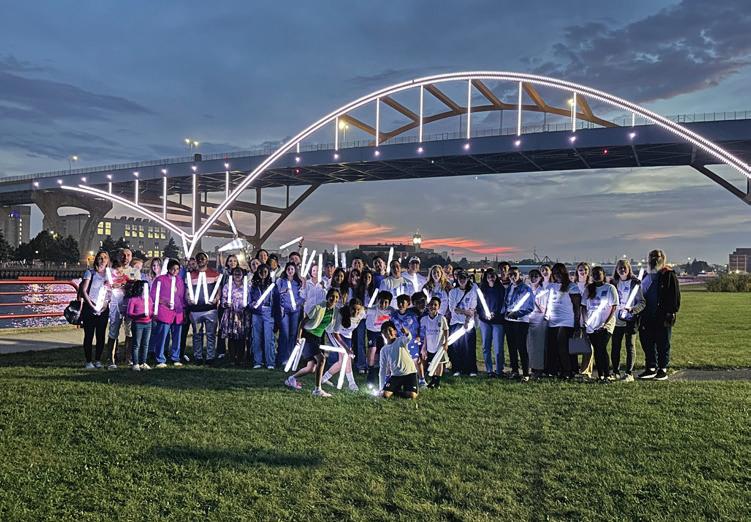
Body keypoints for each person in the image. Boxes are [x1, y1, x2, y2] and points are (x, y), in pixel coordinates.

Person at [285, 288, 340, 397]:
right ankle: (317, 390)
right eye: (332, 296)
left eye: (337, 297)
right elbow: (303, 322)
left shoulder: (335, 311)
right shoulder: (318, 307)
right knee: (321, 359)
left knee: (311, 368)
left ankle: (291, 379)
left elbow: (333, 328)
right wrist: (299, 337)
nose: (334, 299)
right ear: (327, 297)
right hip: (308, 336)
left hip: (318, 338)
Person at [638, 249, 680, 381]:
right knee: (647, 342)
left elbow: (674, 295)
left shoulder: (668, 274)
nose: (654, 259)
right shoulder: (645, 276)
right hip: (646, 314)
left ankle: (662, 369)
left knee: (663, 343)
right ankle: (651, 367)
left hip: (662, 314)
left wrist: (671, 312)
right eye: (652, 257)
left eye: (657, 257)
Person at [582, 266, 619, 383]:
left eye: (599, 273)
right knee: (597, 350)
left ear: (604, 274)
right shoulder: (589, 289)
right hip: (592, 325)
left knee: (601, 347)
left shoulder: (610, 288)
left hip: (605, 325)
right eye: (594, 274)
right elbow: (584, 307)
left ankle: (607, 374)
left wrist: (605, 323)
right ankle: (601, 375)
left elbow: (613, 307)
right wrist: (586, 321)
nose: (596, 276)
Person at [544, 263, 582, 379]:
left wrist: (577, 323)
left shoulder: (572, 286)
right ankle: (554, 370)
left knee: (563, 347)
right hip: (552, 321)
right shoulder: (551, 286)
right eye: (555, 273)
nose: (557, 275)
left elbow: (577, 307)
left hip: (566, 321)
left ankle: (568, 370)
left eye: (559, 273)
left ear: (564, 273)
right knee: (552, 347)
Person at [611, 260, 645, 382]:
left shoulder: (635, 283)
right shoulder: (613, 283)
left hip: (630, 320)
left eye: (624, 267)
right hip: (616, 320)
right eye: (620, 268)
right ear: (616, 270)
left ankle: (628, 373)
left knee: (630, 346)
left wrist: (633, 310)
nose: (622, 270)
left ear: (629, 269)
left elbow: (642, 302)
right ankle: (615, 372)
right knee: (615, 346)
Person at [322, 297, 365, 391]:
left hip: (347, 335)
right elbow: (336, 334)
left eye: (358, 309)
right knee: (346, 357)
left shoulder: (362, 313)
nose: (356, 312)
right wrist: (347, 349)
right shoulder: (340, 314)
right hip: (334, 333)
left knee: (343, 361)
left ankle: (323, 379)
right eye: (353, 309)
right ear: (349, 307)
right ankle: (352, 383)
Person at [186, 252, 221, 365]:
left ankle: (210, 357)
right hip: (196, 310)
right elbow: (187, 291)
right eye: (198, 259)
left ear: (207, 260)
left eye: (203, 258)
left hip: (210, 310)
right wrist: (188, 299)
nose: (200, 260)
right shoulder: (191, 275)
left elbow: (218, 290)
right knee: (197, 335)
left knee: (211, 335)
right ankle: (198, 357)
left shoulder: (214, 274)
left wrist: (216, 299)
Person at [150, 258, 186, 368]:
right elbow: (153, 294)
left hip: (178, 312)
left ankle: (175, 357)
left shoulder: (179, 281)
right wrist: (162, 302)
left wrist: (183, 309)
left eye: (177, 269)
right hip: (165, 311)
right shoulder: (160, 279)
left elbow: (182, 296)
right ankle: (160, 358)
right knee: (162, 336)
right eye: (173, 268)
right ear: (168, 268)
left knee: (177, 337)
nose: (175, 271)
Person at [80, 251, 111, 369]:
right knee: (89, 335)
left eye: (105, 258)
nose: (102, 260)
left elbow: (110, 291)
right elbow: (83, 290)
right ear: (96, 259)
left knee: (101, 335)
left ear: (108, 260)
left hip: (103, 309)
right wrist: (91, 305)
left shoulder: (109, 274)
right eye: (100, 258)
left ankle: (98, 360)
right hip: (90, 308)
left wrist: (106, 303)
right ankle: (88, 361)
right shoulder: (90, 273)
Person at [504, 267, 534, 381]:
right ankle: (515, 371)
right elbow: (507, 303)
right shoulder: (509, 287)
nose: (512, 276)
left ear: (519, 274)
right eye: (510, 274)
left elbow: (530, 307)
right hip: (509, 321)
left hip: (521, 321)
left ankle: (526, 373)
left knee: (521, 347)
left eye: (514, 274)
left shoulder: (526, 288)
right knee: (511, 347)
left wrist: (516, 314)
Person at [274, 261, 305, 368]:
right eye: (288, 269)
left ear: (295, 270)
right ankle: (283, 358)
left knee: (293, 334)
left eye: (292, 269)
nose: (290, 271)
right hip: (284, 311)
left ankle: (291, 357)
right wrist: (284, 291)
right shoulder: (281, 281)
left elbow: (303, 296)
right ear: (285, 270)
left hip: (295, 311)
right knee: (284, 334)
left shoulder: (298, 282)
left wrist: (297, 303)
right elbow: (276, 293)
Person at [447, 269, 478, 377]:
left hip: (468, 324)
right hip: (455, 322)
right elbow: (452, 308)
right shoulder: (453, 292)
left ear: (468, 279)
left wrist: (466, 321)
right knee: (456, 347)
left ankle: (471, 369)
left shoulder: (472, 292)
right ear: (457, 279)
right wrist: (465, 312)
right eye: (460, 278)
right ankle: (457, 368)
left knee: (469, 347)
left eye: (464, 278)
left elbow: (472, 309)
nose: (462, 280)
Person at [219, 266, 251, 366]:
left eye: (239, 273)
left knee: (241, 337)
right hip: (231, 314)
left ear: (243, 275)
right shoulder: (227, 286)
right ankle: (232, 357)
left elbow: (250, 298)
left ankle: (240, 358)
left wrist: (247, 306)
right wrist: (226, 304)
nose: (237, 275)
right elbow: (223, 299)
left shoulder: (247, 287)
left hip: (242, 315)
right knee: (231, 336)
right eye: (235, 273)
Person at [379, 321, 418, 400]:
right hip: (396, 375)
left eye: (390, 330)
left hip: (410, 373)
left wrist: (407, 333)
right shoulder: (384, 350)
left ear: (395, 331)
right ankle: (397, 389)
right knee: (384, 395)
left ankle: (401, 390)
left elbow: (408, 338)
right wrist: (381, 387)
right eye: (385, 332)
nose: (388, 333)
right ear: (382, 334)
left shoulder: (401, 341)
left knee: (412, 395)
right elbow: (382, 369)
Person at [476, 268, 505, 377]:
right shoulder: (482, 290)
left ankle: (499, 370)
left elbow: (503, 305)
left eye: (492, 276)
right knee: (486, 346)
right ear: (485, 278)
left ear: (496, 277)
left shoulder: (501, 290)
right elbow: (479, 306)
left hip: (498, 321)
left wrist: (495, 314)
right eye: (488, 276)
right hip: (485, 321)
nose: (491, 278)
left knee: (498, 347)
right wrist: (484, 315)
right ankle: (489, 370)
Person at [390, 294, 422, 386]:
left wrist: (418, 336)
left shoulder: (412, 315)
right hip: (400, 342)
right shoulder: (393, 316)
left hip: (412, 341)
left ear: (408, 304)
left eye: (403, 303)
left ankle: (421, 379)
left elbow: (418, 327)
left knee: (415, 360)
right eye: (398, 302)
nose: (400, 305)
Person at [365, 290, 394, 387]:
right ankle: (371, 372)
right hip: (372, 331)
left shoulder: (391, 311)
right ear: (378, 300)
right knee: (372, 349)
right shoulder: (373, 309)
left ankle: (387, 371)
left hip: (384, 332)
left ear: (389, 303)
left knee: (386, 350)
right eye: (381, 302)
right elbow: (363, 311)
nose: (383, 304)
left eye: (386, 302)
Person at [420, 296, 449, 389]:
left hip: (439, 346)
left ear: (439, 307)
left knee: (439, 363)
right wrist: (424, 347)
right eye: (431, 304)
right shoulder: (424, 319)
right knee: (432, 363)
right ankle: (433, 380)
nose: (433, 306)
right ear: (428, 305)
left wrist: (446, 342)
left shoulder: (442, 318)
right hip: (430, 346)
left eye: (435, 305)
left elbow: (446, 330)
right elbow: (424, 334)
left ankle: (437, 382)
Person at [250, 264, 275, 369]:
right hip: (256, 313)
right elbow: (249, 298)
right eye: (261, 271)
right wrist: (251, 304)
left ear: (268, 272)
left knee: (269, 338)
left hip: (268, 312)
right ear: (257, 272)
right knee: (256, 337)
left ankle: (270, 362)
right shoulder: (253, 285)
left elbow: (276, 299)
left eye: (265, 271)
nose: (263, 274)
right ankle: (257, 361)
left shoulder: (272, 285)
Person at [106, 260, 130, 369]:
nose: (119, 274)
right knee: (113, 332)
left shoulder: (126, 278)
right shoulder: (109, 279)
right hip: (115, 306)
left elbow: (131, 284)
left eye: (121, 271)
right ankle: (111, 358)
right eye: (117, 272)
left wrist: (122, 284)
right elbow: (106, 288)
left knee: (129, 332)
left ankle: (128, 358)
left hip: (126, 306)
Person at [216, 254, 240, 360]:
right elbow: (220, 285)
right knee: (222, 328)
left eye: (234, 261)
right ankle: (221, 350)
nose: (232, 263)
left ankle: (233, 351)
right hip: (224, 305)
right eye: (230, 261)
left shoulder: (240, 273)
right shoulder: (224, 273)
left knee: (235, 328)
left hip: (236, 306)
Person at [353, 269, 377, 374]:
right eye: (365, 277)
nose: (367, 279)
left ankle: (371, 363)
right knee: (360, 341)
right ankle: (361, 364)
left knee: (371, 342)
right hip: (361, 318)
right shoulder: (358, 290)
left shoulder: (375, 291)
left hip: (371, 318)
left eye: (369, 277)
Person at [526, 269, 549, 377]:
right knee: (529, 345)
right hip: (528, 319)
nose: (533, 278)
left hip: (539, 321)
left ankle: (539, 369)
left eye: (536, 276)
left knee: (539, 346)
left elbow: (542, 309)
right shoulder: (527, 290)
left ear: (540, 278)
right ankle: (531, 367)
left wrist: (534, 300)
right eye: (531, 276)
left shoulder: (543, 291)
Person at [573, 262, 594, 378]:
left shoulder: (591, 286)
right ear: (577, 271)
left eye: (585, 269)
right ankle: (574, 369)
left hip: (588, 319)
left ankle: (585, 371)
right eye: (581, 269)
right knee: (575, 346)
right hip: (575, 319)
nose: (583, 272)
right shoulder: (573, 286)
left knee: (588, 347)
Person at [126, 279, 152, 371]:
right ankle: (135, 363)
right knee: (136, 344)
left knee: (145, 344)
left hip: (148, 323)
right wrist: (140, 315)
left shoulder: (149, 299)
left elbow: (151, 310)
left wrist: (153, 314)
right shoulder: (133, 300)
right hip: (138, 324)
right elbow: (129, 313)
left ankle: (143, 362)